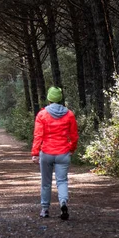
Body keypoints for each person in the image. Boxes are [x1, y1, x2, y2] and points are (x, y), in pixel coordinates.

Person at [31, 87, 78, 220]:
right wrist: (71, 149)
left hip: (46, 153)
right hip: (63, 152)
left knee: (46, 183)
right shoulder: (69, 114)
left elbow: (38, 135)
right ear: (60, 98)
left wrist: (35, 153)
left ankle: (45, 210)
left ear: (49, 98)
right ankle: (63, 202)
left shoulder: (42, 114)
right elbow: (74, 136)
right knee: (62, 181)